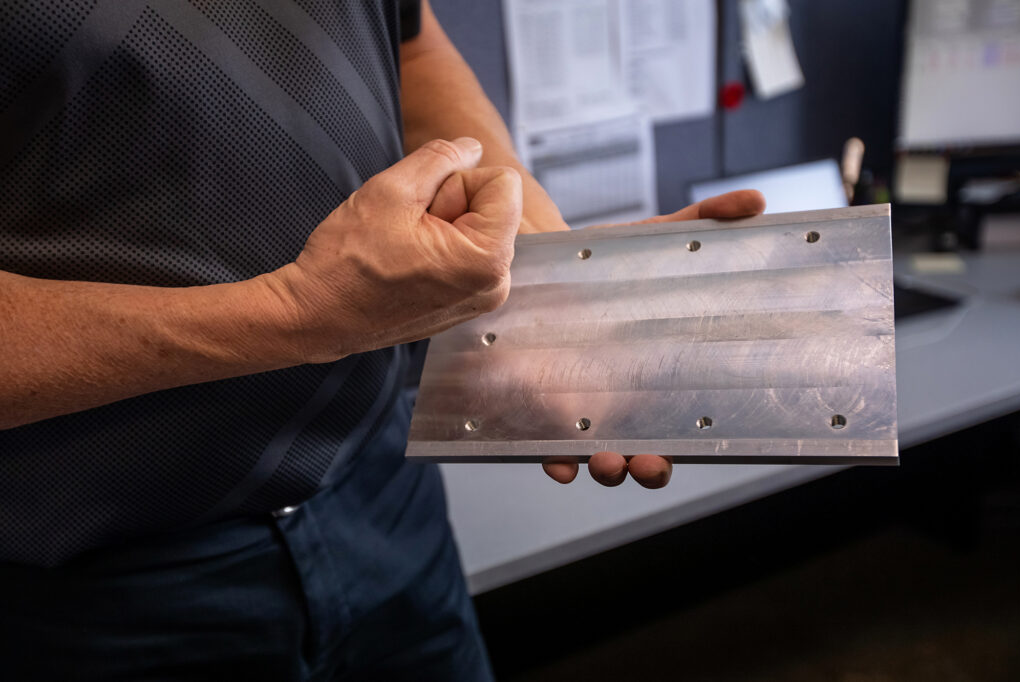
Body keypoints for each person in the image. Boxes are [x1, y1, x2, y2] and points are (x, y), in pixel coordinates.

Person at [0, 1, 765, 679]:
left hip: (381, 497)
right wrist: (297, 314)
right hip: (86, 589)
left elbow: (411, 45)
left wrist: (536, 264)